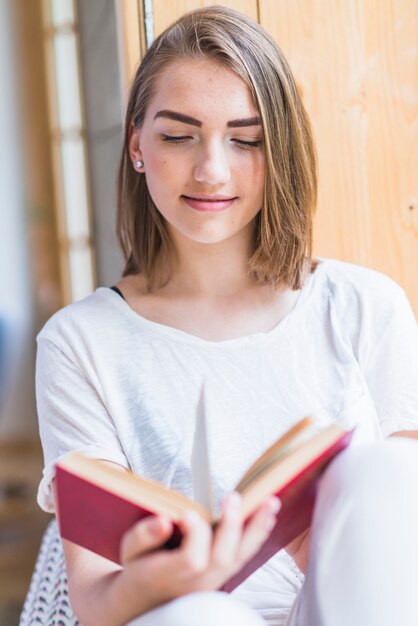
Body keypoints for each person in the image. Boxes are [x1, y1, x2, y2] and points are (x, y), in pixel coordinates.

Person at [22, 6, 418, 626]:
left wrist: (323, 541)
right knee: (203, 616)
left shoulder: (366, 306)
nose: (211, 169)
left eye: (247, 139)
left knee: (385, 469)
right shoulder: (80, 342)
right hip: (184, 616)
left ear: (279, 147)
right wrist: (168, 579)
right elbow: (96, 601)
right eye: (179, 136)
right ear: (137, 146)